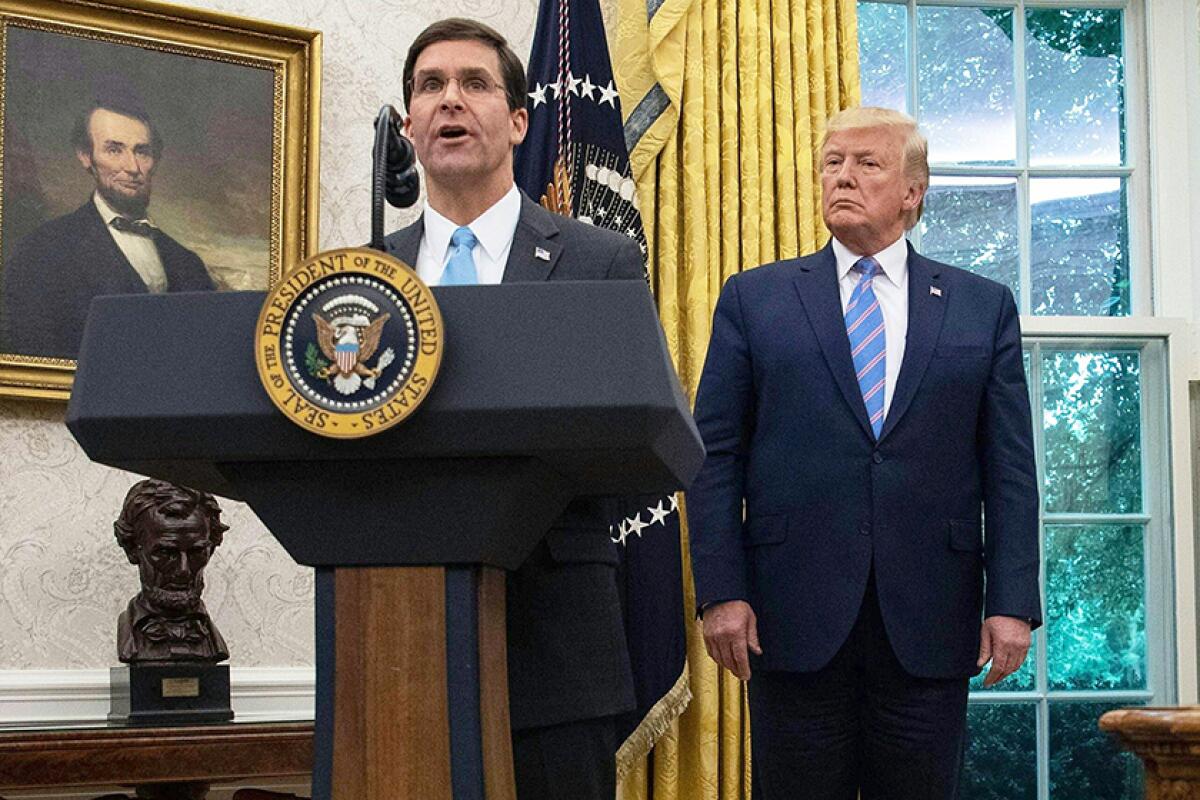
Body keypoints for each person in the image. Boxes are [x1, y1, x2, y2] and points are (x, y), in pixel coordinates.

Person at [687, 107, 1042, 799]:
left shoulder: (981, 305)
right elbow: (714, 457)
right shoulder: (755, 299)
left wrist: (1013, 601)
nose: (842, 176)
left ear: (913, 192)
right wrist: (721, 592)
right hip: (790, 617)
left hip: (931, 621)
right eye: (832, 163)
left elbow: (1010, 468)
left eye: (867, 164)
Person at [382, 18, 645, 800]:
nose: (449, 101)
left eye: (474, 84)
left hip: (556, 646)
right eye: (429, 87)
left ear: (519, 120)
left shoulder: (597, 261)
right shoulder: (368, 272)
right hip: (400, 635)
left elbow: (631, 442)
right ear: (407, 128)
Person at [0, 98, 214, 360]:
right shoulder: (44, 250)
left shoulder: (187, 263)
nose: (133, 167)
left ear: (154, 161)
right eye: (114, 150)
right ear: (85, 156)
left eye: (142, 152)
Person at [113, 480, 229, 664]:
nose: (183, 570)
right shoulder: (129, 636)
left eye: (196, 553)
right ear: (132, 550)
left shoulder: (212, 640)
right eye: (166, 553)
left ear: (211, 549)